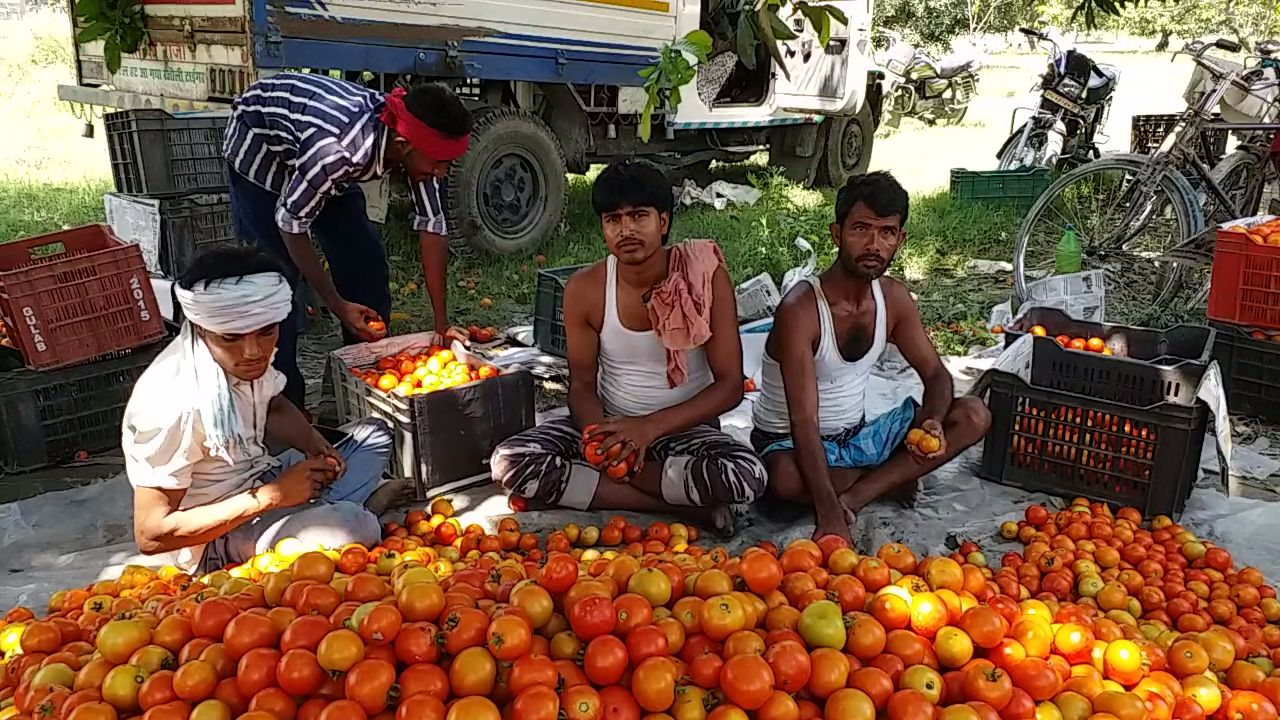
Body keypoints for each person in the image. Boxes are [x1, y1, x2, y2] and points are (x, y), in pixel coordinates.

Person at [491, 160, 766, 533]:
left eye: (639, 216)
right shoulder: (585, 290)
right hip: (612, 425)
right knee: (510, 460)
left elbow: (731, 386)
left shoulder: (704, 276)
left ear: (664, 222)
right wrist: (603, 443)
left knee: (746, 475)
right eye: (614, 219)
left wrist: (648, 429)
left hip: (684, 430)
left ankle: (598, 489)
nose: (626, 230)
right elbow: (583, 386)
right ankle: (678, 506)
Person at [123, 247, 399, 573]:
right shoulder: (175, 404)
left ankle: (324, 508)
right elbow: (151, 534)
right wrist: (269, 498)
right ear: (200, 328)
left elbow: (275, 406)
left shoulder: (247, 355)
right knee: (352, 527)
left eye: (266, 332)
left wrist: (315, 446)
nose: (253, 351)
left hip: (260, 477)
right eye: (231, 338)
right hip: (215, 535)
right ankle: (353, 510)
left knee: (375, 434)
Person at [751, 171, 991, 542]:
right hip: (789, 441)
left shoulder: (893, 299)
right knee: (783, 480)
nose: (873, 244)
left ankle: (861, 491)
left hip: (858, 437)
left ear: (900, 239)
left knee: (974, 415)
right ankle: (889, 478)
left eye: (887, 232)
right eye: (860, 229)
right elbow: (803, 418)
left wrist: (933, 423)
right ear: (836, 234)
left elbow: (936, 376)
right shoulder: (800, 308)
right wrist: (829, 514)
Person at [224, 72, 473, 408]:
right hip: (261, 150)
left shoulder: (417, 148)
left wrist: (441, 324)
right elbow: (291, 223)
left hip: (318, 160)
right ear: (402, 145)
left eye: (447, 164)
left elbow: (432, 226)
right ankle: (285, 409)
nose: (441, 173)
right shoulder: (338, 151)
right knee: (277, 286)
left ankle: (349, 387)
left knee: (365, 264)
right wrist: (336, 303)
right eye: (438, 164)